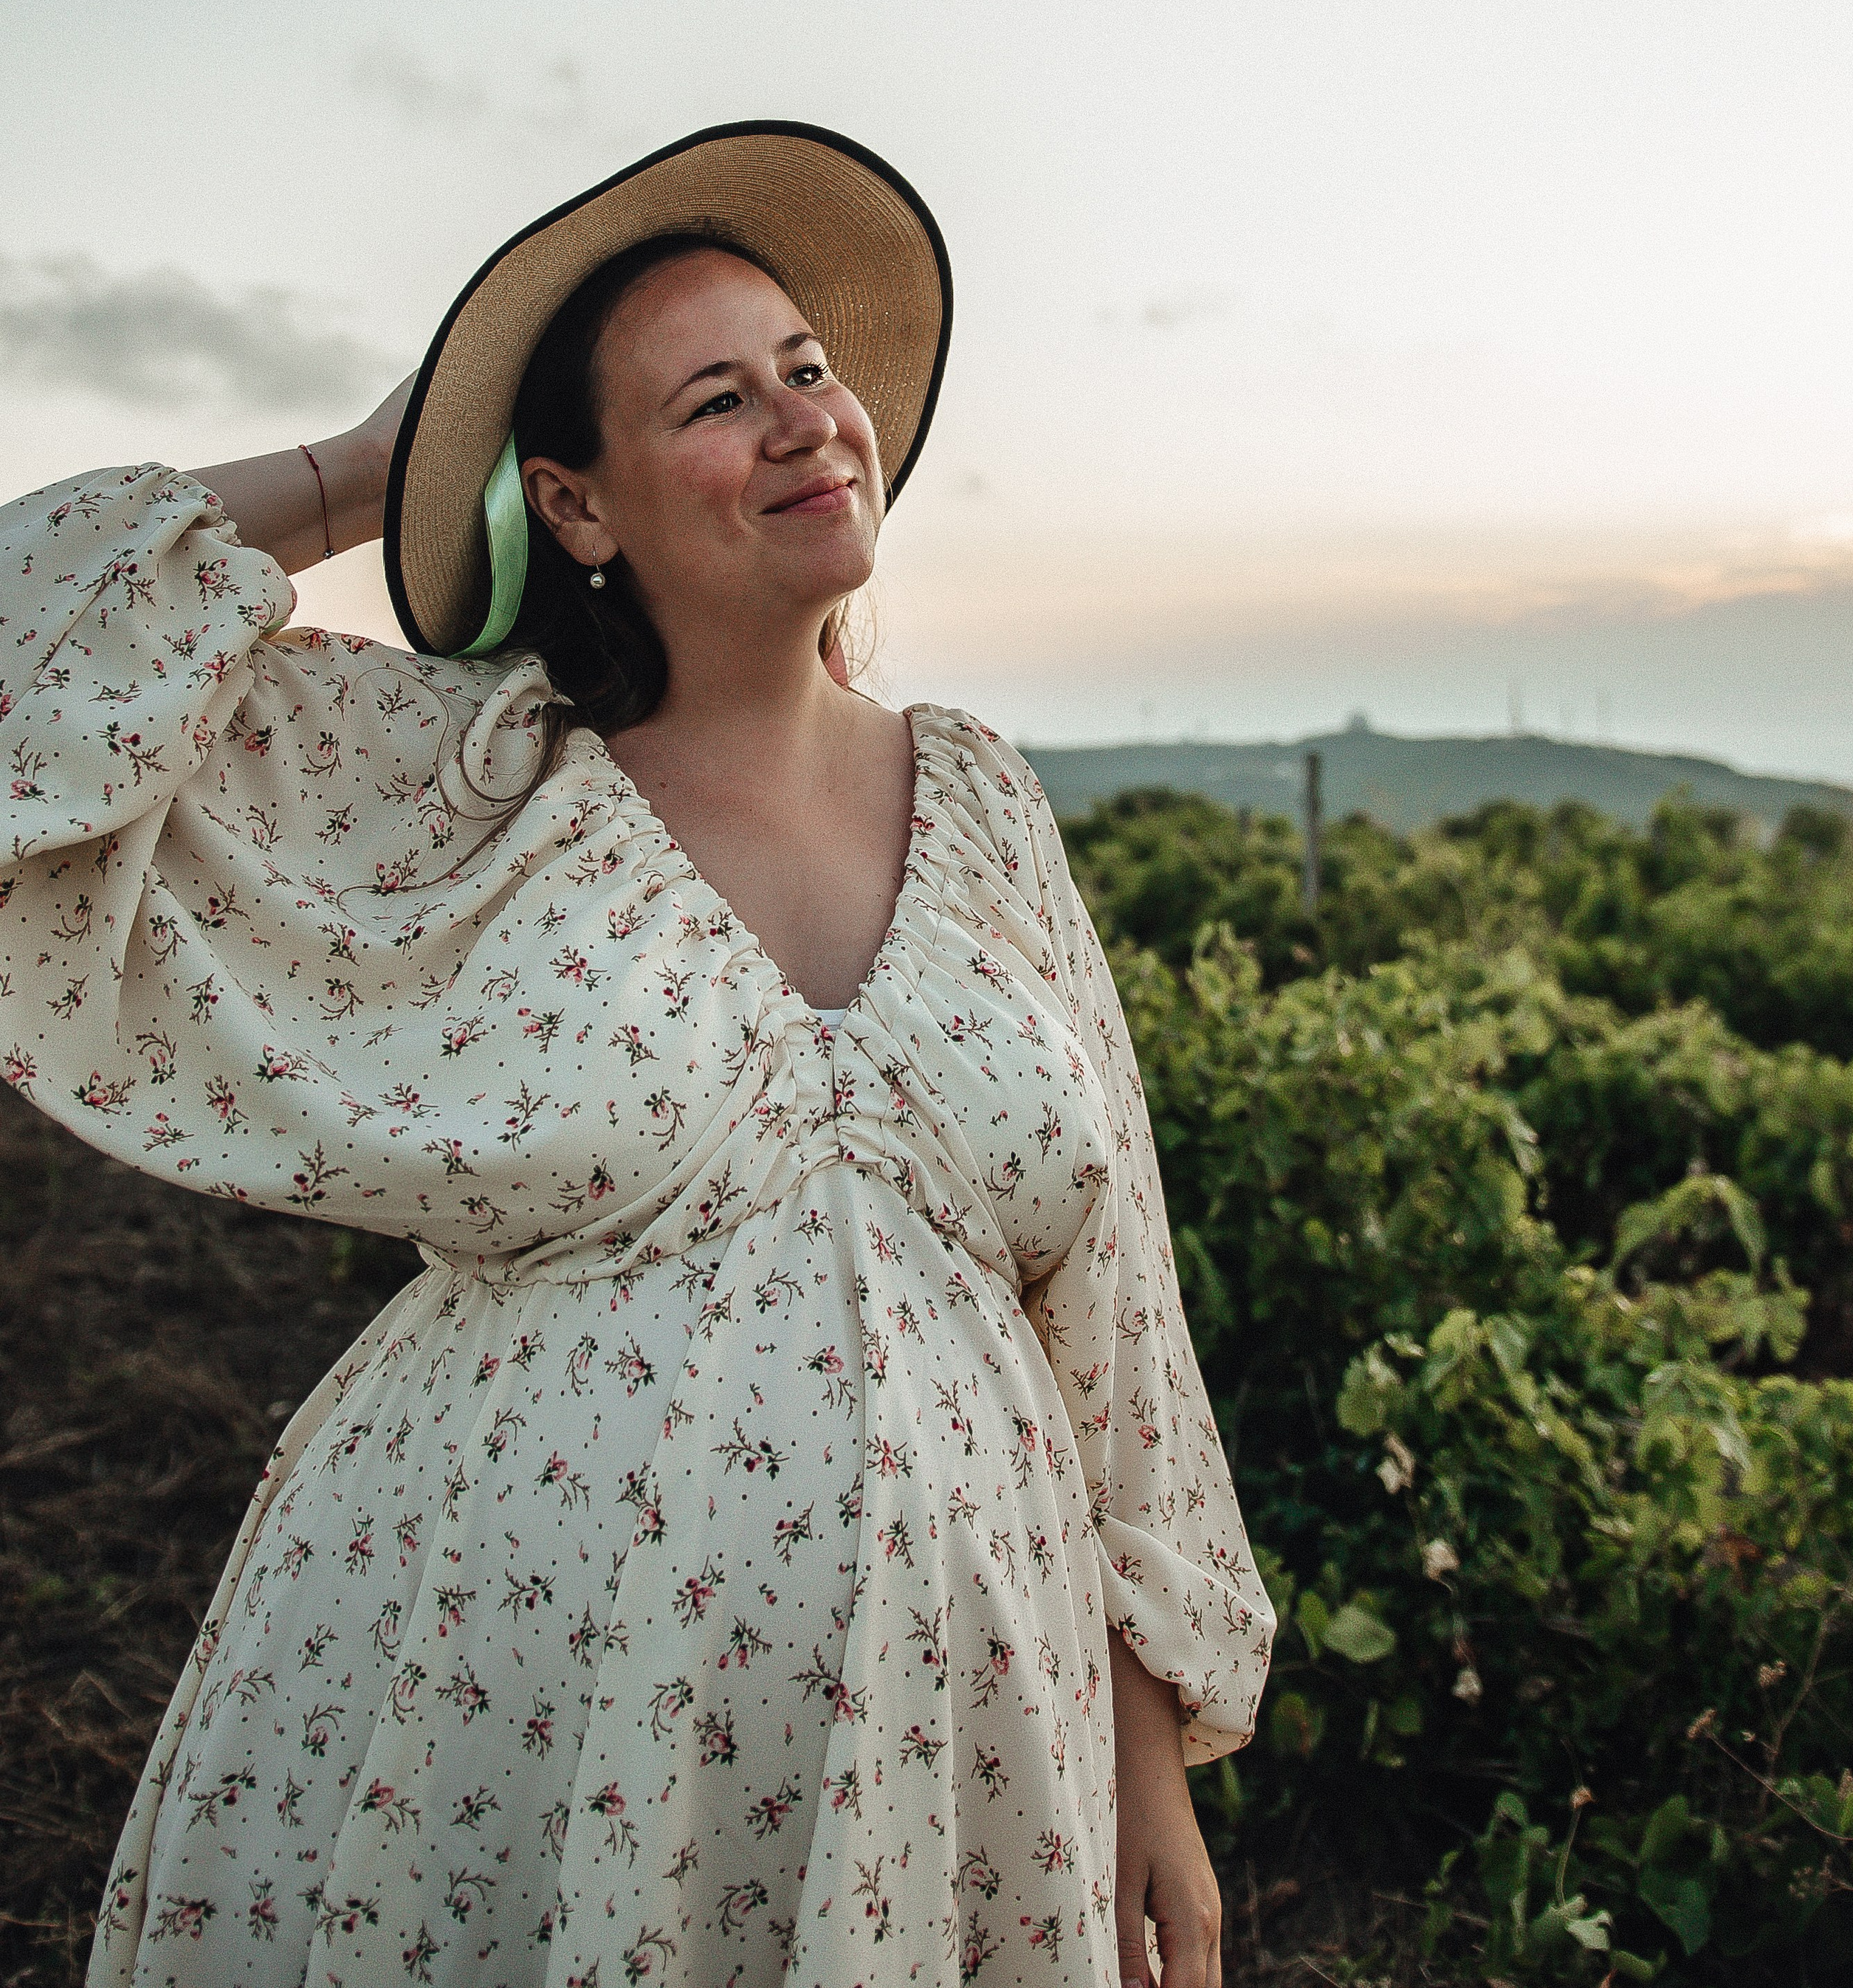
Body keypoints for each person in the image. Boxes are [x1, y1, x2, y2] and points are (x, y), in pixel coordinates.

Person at [0, 123, 1271, 1988]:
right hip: (506, 1732)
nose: (800, 422)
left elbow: (1115, 1297)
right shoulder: (467, 785)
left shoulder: (984, 800)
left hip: (964, 1756)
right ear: (576, 507)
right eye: (715, 400)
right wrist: (372, 465)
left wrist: (1146, 1760)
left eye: (809, 373)